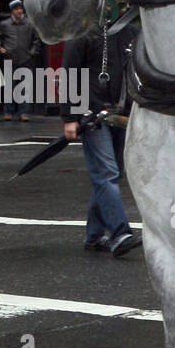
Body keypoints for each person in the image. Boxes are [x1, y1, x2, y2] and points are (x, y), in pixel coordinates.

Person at [60, 24, 142, 257]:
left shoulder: (130, 31)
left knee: (111, 175)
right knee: (107, 174)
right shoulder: (83, 31)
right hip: (92, 114)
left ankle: (95, 235)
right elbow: (70, 72)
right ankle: (119, 233)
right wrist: (69, 116)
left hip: (122, 113)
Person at [0, 0, 38, 121]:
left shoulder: (29, 24)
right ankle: (8, 111)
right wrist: (0, 48)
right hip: (9, 59)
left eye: (21, 8)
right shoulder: (5, 24)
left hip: (25, 59)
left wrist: (32, 52)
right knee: (9, 87)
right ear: (12, 11)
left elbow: (36, 40)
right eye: (17, 9)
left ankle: (23, 113)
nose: (20, 11)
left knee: (24, 88)